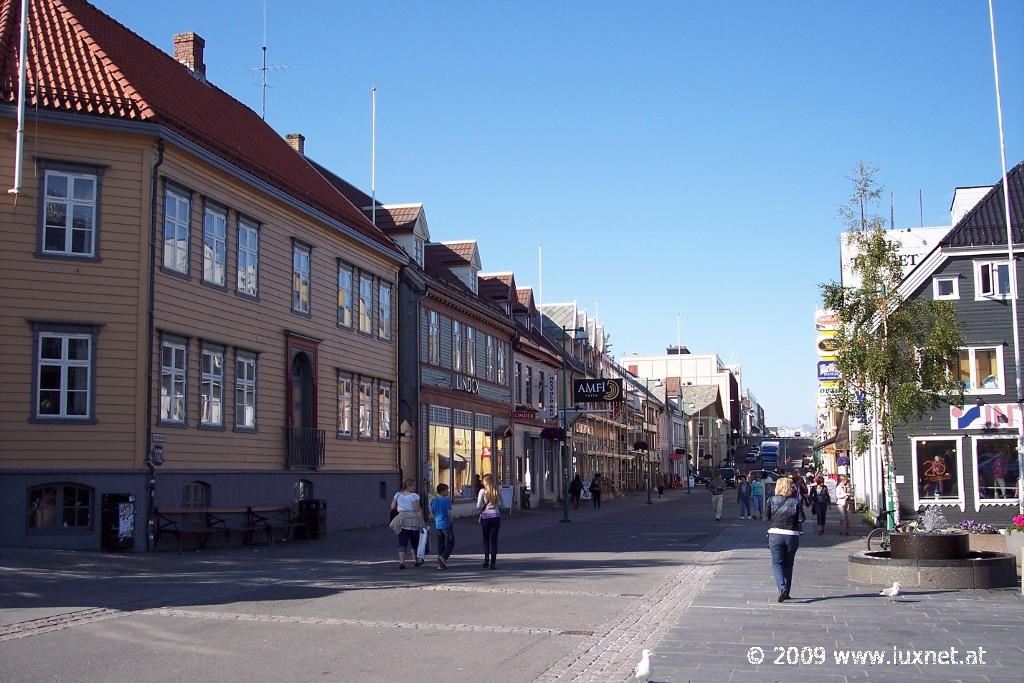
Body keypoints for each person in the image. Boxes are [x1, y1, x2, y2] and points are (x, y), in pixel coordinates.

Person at [765, 477, 805, 602]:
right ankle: (786, 591)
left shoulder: (771, 500)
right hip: (791, 535)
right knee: (789, 564)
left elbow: (765, 517)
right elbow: (801, 518)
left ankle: (782, 587)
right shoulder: (795, 501)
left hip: (775, 534)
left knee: (777, 563)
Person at [389, 478, 425, 570]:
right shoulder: (414, 496)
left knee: (402, 542)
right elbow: (417, 509)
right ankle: (416, 560)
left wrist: (400, 507)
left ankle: (402, 562)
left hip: (401, 520)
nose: (414, 487)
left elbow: (392, 507)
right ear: (409, 486)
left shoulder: (397, 495)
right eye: (413, 485)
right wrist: (422, 522)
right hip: (413, 520)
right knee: (414, 542)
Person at [476, 474, 501, 569]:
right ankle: (493, 562)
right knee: (494, 540)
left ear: (486, 482)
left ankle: (486, 559)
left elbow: (478, 506)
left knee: (486, 539)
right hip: (496, 517)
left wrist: (484, 505)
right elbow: (501, 504)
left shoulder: (482, 491)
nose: (482, 483)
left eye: (483, 481)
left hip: (485, 517)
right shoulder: (497, 491)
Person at [431, 483, 454, 570]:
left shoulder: (434, 500)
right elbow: (449, 513)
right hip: (446, 524)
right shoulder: (446, 500)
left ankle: (440, 564)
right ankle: (443, 557)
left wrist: (436, 519)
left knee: (440, 543)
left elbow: (432, 513)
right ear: (442, 491)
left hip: (438, 524)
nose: (448, 492)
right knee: (450, 542)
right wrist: (451, 520)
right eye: (446, 490)